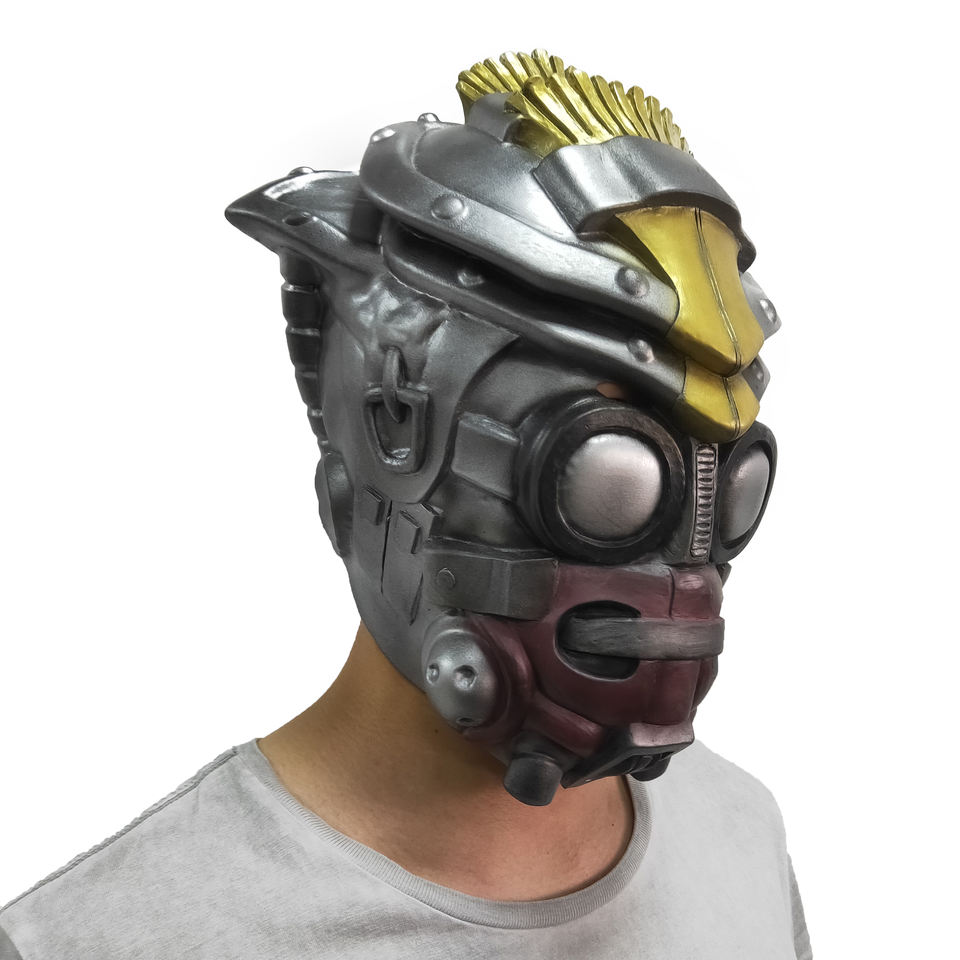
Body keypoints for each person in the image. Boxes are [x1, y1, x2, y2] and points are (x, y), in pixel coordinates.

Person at [0, 50, 812, 959]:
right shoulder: (98, 940)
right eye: (611, 484)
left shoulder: (739, 836)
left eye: (723, 490)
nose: (681, 576)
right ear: (389, 447)